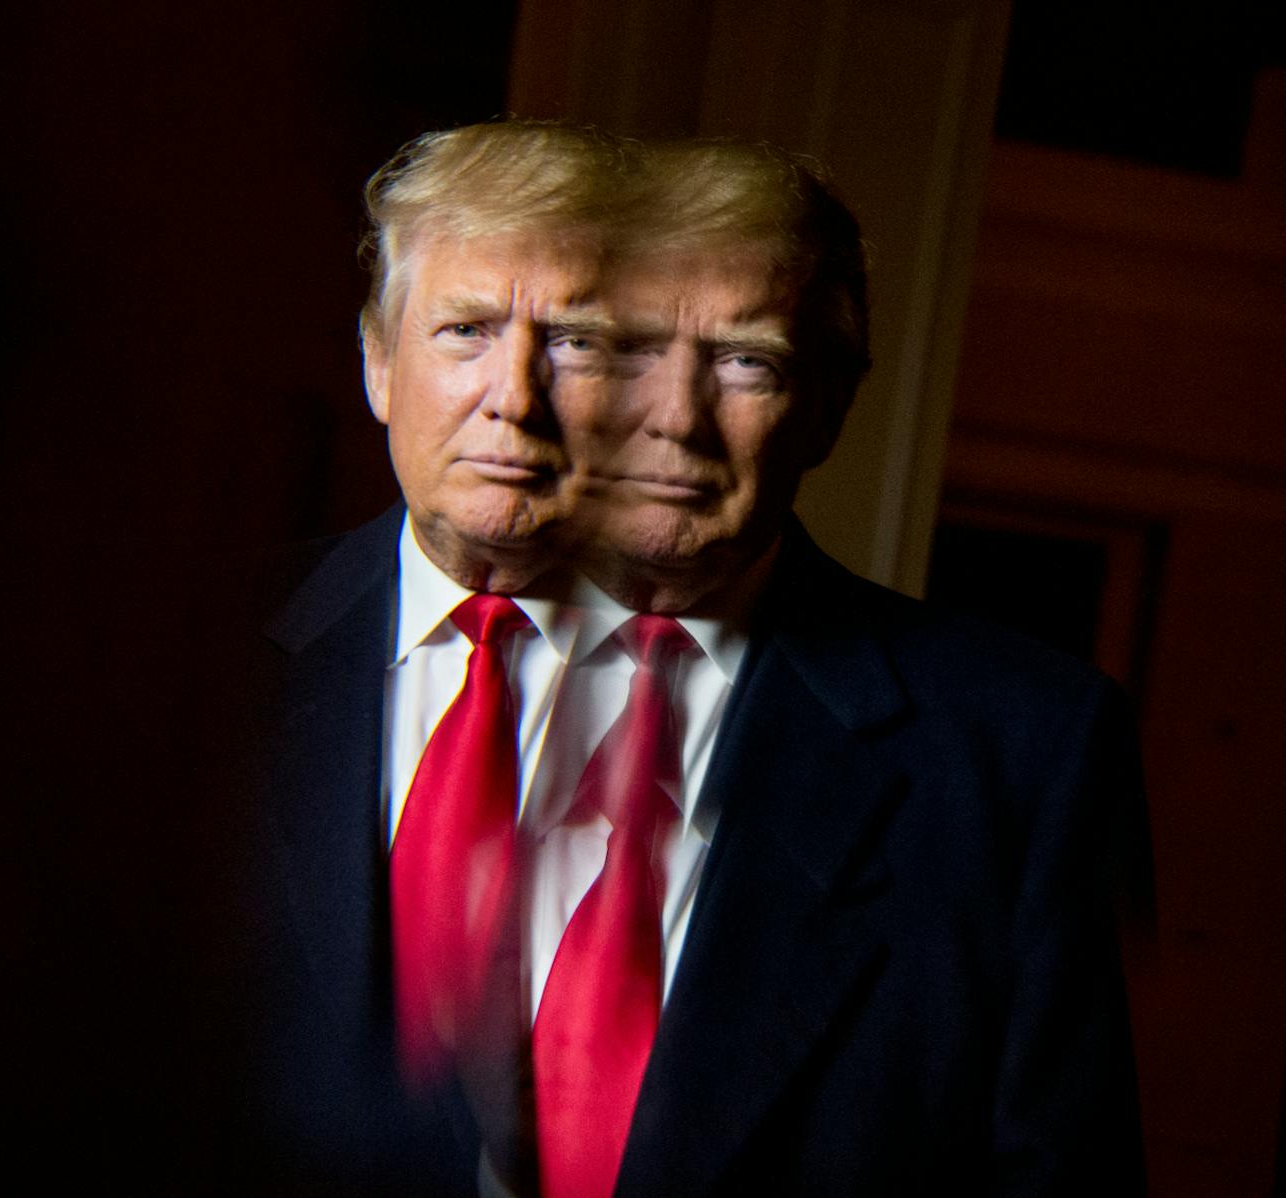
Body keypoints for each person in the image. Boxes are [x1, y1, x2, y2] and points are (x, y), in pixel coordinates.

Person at [242, 123, 1144, 1196]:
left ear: (831, 404)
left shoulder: (1018, 750)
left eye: (745, 363)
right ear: (376, 359)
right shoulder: (183, 644)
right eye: (622, 350)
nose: (672, 420)